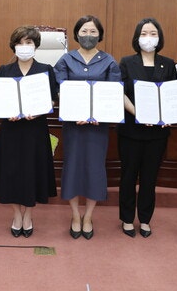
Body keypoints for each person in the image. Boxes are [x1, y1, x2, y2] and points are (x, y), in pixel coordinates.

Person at [54, 15, 121, 240]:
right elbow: (60, 91)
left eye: (93, 32)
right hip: (73, 126)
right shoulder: (66, 60)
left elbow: (113, 94)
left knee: (95, 169)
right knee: (72, 168)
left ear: (100, 35)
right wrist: (77, 113)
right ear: (77, 34)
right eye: (84, 31)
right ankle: (75, 215)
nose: (88, 36)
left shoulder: (109, 61)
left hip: (97, 127)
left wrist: (97, 116)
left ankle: (89, 216)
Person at [0, 26, 58, 238]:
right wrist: (5, 112)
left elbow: (52, 100)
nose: (25, 47)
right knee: (12, 174)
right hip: (11, 131)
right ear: (14, 46)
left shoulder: (46, 69)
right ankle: (16, 215)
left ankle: (28, 215)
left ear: (36, 46)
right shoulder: (5, 70)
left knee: (31, 172)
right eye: (21, 43)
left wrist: (38, 112)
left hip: (34, 131)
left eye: (29, 43)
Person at [117, 18, 177, 238]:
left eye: (153, 33)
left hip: (157, 133)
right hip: (132, 130)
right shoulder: (126, 62)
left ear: (159, 38)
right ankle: (126, 218)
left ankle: (145, 219)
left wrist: (169, 115)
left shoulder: (168, 64)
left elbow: (173, 95)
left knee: (150, 178)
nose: (148, 38)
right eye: (144, 33)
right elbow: (120, 93)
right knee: (129, 176)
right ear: (137, 37)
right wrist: (139, 113)